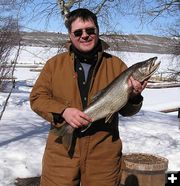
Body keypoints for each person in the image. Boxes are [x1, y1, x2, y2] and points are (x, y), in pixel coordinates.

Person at [30, 8, 147, 186]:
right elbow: (37, 98)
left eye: (90, 30)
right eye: (78, 32)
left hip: (103, 155)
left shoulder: (116, 65)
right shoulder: (54, 65)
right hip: (61, 154)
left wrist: (134, 97)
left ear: (97, 31)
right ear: (70, 35)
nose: (84, 35)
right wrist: (63, 112)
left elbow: (127, 111)